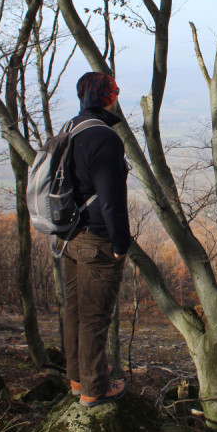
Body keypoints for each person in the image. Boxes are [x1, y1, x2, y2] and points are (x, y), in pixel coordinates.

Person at [63, 71, 130, 407]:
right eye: (113, 91)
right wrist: (120, 245)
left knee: (74, 312)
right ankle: (94, 389)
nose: (116, 96)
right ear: (109, 97)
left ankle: (77, 379)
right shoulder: (105, 138)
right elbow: (111, 201)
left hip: (68, 237)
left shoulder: (71, 129)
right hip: (96, 241)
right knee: (94, 317)